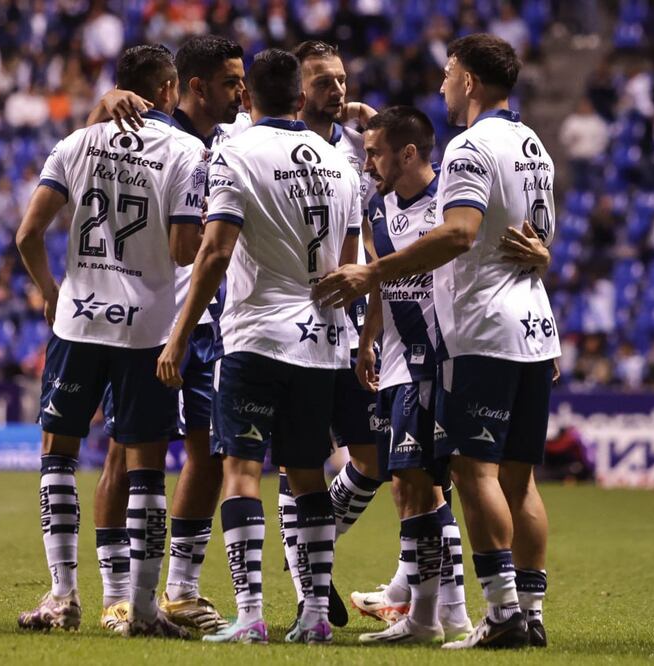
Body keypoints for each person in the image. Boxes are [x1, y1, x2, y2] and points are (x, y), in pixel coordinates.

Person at [312, 34, 558, 649]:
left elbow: (459, 234)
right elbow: (535, 240)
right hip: (535, 328)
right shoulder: (534, 146)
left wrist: (372, 272)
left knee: (472, 473)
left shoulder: (470, 146)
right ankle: (529, 614)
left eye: (449, 73)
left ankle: (500, 613)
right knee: (520, 480)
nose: (443, 84)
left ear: (469, 81)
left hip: (482, 331)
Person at [156, 48, 362, 645]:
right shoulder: (341, 164)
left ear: (249, 98)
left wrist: (179, 335)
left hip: (256, 338)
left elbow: (215, 251)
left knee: (242, 470)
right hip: (321, 342)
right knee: (308, 476)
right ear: (300, 98)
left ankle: (250, 615)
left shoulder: (236, 154)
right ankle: (315, 616)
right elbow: (349, 267)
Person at [14, 45, 206, 639]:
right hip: (147, 329)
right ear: (169, 90)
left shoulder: (75, 143)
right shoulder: (185, 151)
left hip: (78, 320)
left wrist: (51, 290)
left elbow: (27, 234)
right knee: (146, 467)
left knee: (58, 455)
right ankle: (143, 609)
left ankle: (62, 596)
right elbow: (182, 251)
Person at [85, 35, 246, 634]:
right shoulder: (146, 134)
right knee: (125, 454)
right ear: (193, 87)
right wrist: (104, 102)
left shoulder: (237, 135)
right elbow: (87, 148)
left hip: (206, 324)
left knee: (209, 452)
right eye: (230, 82)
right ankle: (117, 596)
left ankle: (180, 589)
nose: (241, 93)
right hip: (148, 323)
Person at [345, 106, 473, 644]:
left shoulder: (451, 199)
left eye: (375, 153)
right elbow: (381, 279)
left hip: (436, 362)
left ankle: (430, 617)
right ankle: (448, 614)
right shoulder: (377, 207)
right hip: (396, 361)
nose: (368, 163)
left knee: (417, 485)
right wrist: (368, 339)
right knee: (415, 488)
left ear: (409, 153)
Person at [276, 39, 380, 631]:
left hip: (351, 317)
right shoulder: (264, 138)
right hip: (292, 320)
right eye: (323, 80)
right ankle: (307, 584)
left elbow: (408, 174)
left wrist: (369, 120)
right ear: (297, 89)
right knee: (300, 458)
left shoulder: (359, 147)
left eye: (341, 78)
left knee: (372, 458)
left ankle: (305, 551)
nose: (337, 89)